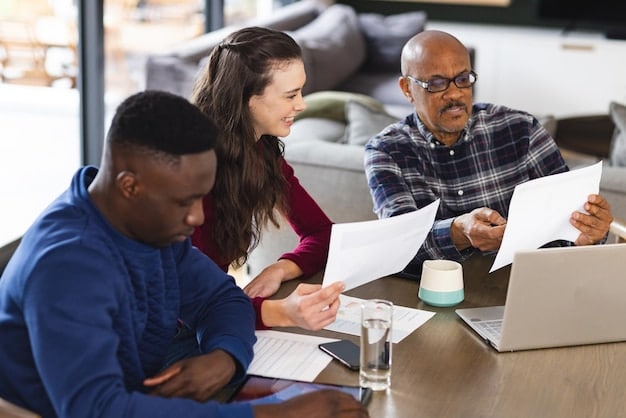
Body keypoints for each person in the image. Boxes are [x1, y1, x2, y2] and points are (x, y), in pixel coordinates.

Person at [0, 90, 368, 418]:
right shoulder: (68, 267)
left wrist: (225, 356)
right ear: (130, 185)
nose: (198, 217)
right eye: (185, 201)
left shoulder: (145, 222)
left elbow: (223, 298)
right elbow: (100, 409)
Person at [364, 30, 614, 277]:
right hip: (434, 297)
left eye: (462, 79)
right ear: (407, 88)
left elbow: (568, 228)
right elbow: (397, 247)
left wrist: (590, 233)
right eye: (436, 84)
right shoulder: (387, 151)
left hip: (528, 285)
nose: (454, 94)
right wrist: (457, 232)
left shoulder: (521, 128)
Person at [190, 27, 342, 329]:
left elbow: (324, 233)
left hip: (214, 312)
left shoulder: (261, 152)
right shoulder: (193, 167)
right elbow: (188, 298)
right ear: (246, 98)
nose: (302, 105)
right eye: (290, 95)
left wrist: (280, 269)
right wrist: (283, 312)